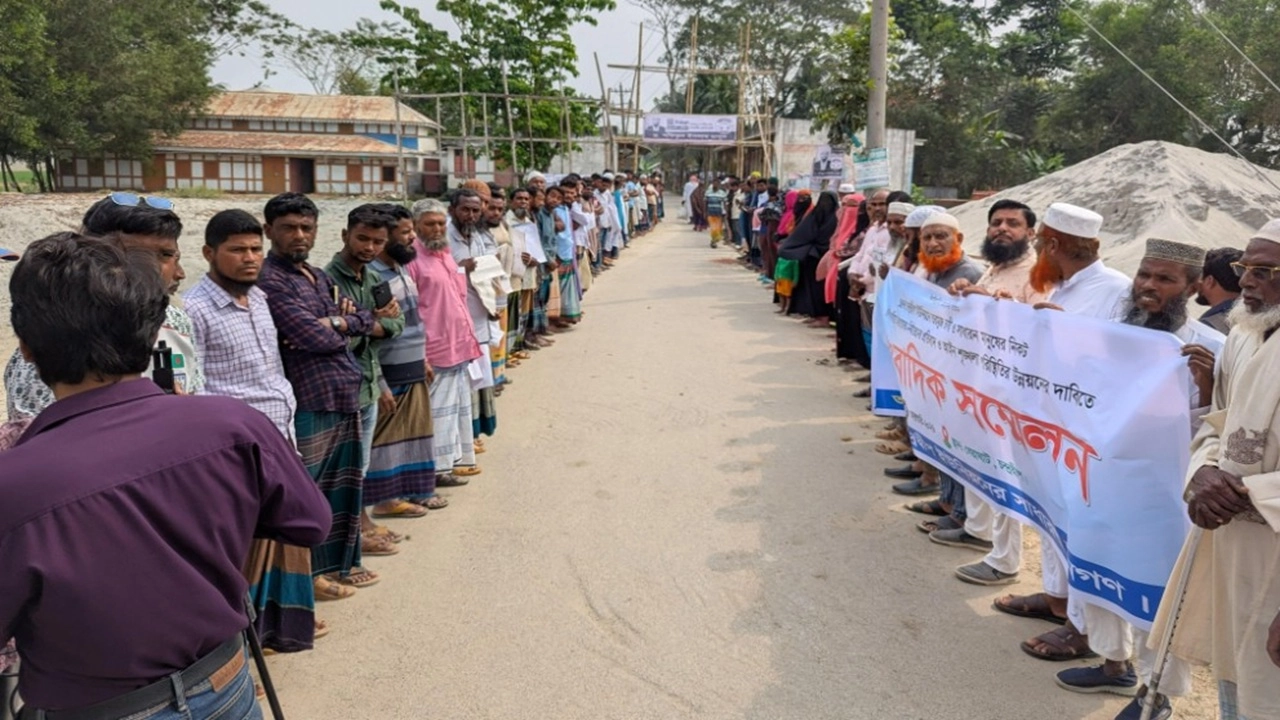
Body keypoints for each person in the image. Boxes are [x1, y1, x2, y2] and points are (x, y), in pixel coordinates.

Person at [0, 232, 330, 719]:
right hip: (225, 684)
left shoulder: (15, 483)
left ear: (26, 347)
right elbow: (310, 523)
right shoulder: (231, 425)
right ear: (154, 329)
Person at [1052, 238, 1223, 720]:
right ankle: (1112, 663)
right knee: (1097, 569)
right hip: (1101, 482)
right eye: (1144, 275)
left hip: (1164, 497)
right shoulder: (1111, 335)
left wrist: (1208, 385)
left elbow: (1225, 429)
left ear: (1192, 287)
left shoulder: (1211, 350)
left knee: (1156, 591)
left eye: (1165, 279)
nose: (1149, 286)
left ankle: (1156, 693)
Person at [1152, 219, 1280, 720]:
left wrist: (1250, 493)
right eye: (1244, 268)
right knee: (1238, 681)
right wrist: (1202, 476)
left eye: (1265, 271)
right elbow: (1218, 424)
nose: (1247, 281)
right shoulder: (1246, 335)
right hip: (1231, 542)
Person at [995, 202, 1132, 662]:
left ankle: (1085, 629)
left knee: (1081, 530)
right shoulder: (1065, 285)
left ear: (1053, 244)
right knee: (1053, 519)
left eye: (1039, 243)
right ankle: (1057, 601)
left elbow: (1119, 361)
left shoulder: (1115, 291)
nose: (1035, 250)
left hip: (1084, 434)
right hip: (1050, 425)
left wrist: (1065, 330)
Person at [186, 209, 319, 653]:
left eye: (255, 249)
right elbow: (195, 388)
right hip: (237, 449)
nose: (250, 258)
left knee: (281, 537)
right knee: (242, 549)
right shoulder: (194, 311)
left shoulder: (258, 298)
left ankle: (283, 626)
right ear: (209, 253)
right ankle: (241, 648)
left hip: (280, 433)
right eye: (237, 250)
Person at [257, 192, 378, 602]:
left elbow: (364, 318)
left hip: (343, 390)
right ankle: (302, 583)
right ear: (269, 230)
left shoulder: (315, 275)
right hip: (310, 397)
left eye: (306, 228)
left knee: (340, 489)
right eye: (289, 228)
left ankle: (331, 569)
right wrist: (345, 323)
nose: (299, 235)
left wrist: (341, 320)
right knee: (308, 494)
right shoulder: (269, 280)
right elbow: (311, 336)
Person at [5, 194, 204, 419]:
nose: (148, 268)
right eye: (133, 255)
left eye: (165, 255)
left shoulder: (178, 322)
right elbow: (34, 434)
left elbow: (192, 391)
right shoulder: (56, 334)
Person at [934, 200, 1048, 586]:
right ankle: (977, 530)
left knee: (1006, 473)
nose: (1002, 229)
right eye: (996, 222)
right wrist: (969, 290)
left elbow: (1040, 327)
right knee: (980, 462)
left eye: (1012, 223)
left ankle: (1004, 561)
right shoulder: (997, 266)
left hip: (1014, 393)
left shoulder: (1037, 273)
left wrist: (1006, 307)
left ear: (1030, 232)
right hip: (981, 385)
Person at [325, 206, 408, 553]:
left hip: (370, 383)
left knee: (360, 465)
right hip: (344, 390)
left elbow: (396, 326)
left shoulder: (374, 279)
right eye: (362, 238)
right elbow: (335, 339)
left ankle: (359, 527)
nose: (369, 247)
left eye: (377, 241)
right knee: (345, 470)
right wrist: (369, 323)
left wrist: (363, 322)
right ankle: (351, 536)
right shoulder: (328, 281)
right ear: (346, 235)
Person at [365, 202, 447, 523]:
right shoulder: (373, 275)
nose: (413, 237)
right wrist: (380, 382)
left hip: (412, 364)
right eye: (406, 232)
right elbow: (372, 335)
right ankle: (386, 500)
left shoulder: (400, 269)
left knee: (412, 433)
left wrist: (423, 357)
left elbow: (413, 318)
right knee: (388, 439)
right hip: (390, 370)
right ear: (385, 237)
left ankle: (410, 491)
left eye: (412, 230)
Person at [406, 198, 484, 488]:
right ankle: (432, 472)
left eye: (440, 223)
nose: (437, 229)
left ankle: (448, 464)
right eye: (430, 224)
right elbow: (411, 311)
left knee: (454, 411)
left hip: (459, 345)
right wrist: (420, 354)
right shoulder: (412, 261)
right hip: (434, 349)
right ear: (415, 227)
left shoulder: (445, 253)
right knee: (437, 414)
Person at [451, 184, 502, 447]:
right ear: (453, 210)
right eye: (466, 210)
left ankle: (473, 433)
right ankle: (462, 437)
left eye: (475, 209)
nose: (471, 215)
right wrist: (461, 267)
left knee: (479, 378)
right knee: (463, 381)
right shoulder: (446, 237)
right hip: (457, 320)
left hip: (480, 313)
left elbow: (489, 273)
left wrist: (495, 305)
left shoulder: (478, 236)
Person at [779, 190, 840, 322]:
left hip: (829, 258)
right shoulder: (815, 215)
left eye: (828, 201)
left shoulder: (838, 218)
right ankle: (814, 314)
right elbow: (803, 233)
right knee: (811, 288)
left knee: (825, 288)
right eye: (822, 200)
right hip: (813, 256)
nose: (825, 204)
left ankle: (825, 317)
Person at [1197, 246, 1243, 333]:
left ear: (1209, 281)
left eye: (1200, 276)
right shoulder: (1253, 317)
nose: (1198, 282)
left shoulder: (1210, 326)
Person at [705, 178, 729, 248]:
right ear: (712, 183)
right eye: (714, 183)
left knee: (718, 228)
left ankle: (715, 239)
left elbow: (725, 203)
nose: (715, 184)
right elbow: (705, 202)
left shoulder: (722, 193)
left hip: (719, 213)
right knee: (713, 227)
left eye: (717, 183)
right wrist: (704, 211)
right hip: (710, 212)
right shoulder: (708, 192)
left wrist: (726, 212)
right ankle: (713, 241)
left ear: (719, 184)